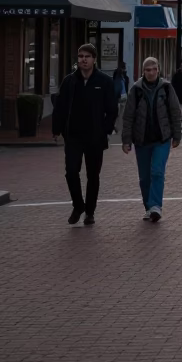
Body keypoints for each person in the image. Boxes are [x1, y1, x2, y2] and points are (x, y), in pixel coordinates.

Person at [52, 44, 118, 226]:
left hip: (95, 137)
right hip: (73, 135)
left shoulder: (104, 81)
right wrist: (56, 129)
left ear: (94, 59)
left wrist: (105, 128)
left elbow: (112, 109)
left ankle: (90, 211)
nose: (83, 59)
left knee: (93, 175)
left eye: (87, 56)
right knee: (71, 172)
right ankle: (78, 205)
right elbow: (60, 107)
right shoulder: (69, 81)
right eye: (80, 56)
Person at [122, 56, 182, 222]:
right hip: (141, 140)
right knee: (144, 177)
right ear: (143, 71)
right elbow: (128, 116)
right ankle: (149, 207)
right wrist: (126, 140)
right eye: (147, 70)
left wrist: (177, 135)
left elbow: (175, 112)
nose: (151, 72)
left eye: (153, 69)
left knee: (157, 171)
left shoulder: (167, 88)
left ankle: (156, 206)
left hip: (161, 139)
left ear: (158, 70)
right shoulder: (136, 90)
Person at [112, 64, 130, 129]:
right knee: (120, 113)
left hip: (121, 97)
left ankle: (117, 126)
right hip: (122, 96)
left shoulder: (121, 79)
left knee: (119, 113)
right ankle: (117, 126)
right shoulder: (122, 79)